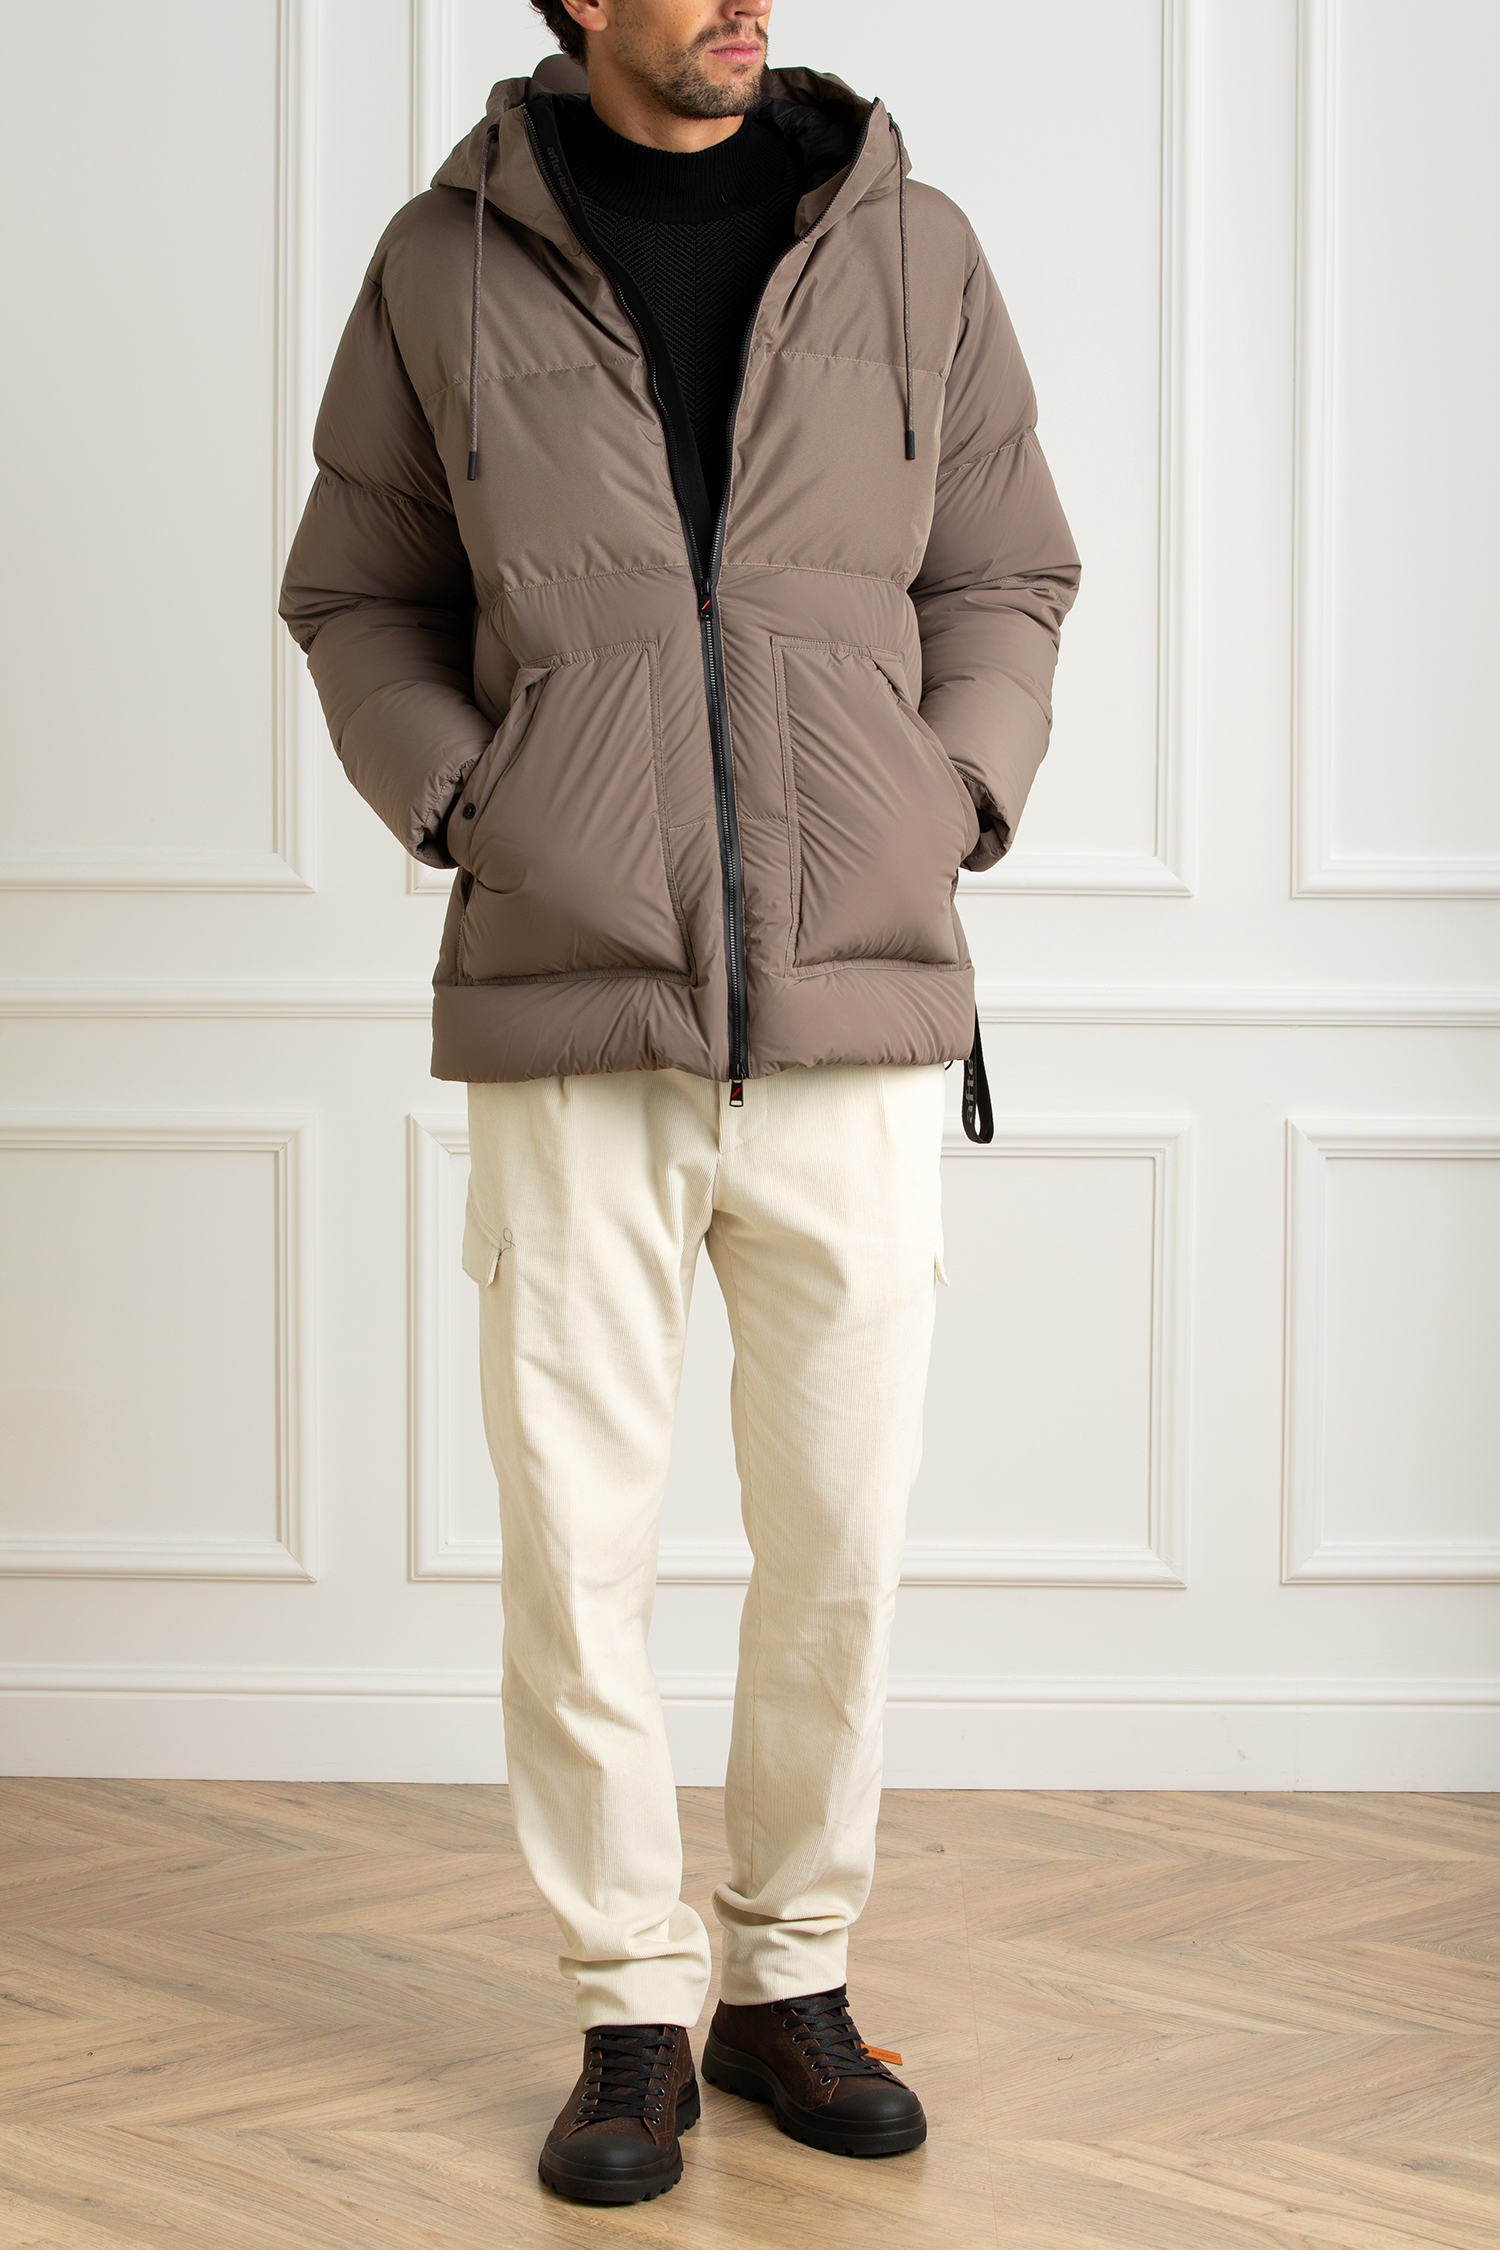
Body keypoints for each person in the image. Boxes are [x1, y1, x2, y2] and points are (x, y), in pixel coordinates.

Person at [280, 0, 1079, 2209]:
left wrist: (949, 794)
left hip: (853, 1011)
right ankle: (629, 2007)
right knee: (577, 1548)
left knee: (840, 1540)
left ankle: (789, 1976)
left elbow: (1006, 568)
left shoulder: (912, 244)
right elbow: (356, 593)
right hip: (575, 1007)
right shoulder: (443, 268)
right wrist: (475, 807)